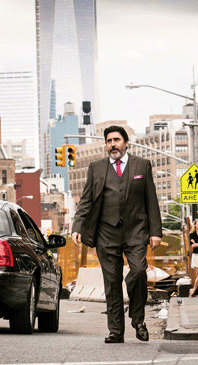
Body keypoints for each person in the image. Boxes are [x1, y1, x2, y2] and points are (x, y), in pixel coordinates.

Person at [72, 125, 162, 343]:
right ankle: (115, 331)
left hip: (136, 230)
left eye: (117, 140)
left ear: (126, 143)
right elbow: (86, 200)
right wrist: (77, 227)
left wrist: (155, 231)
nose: (113, 144)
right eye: (109, 141)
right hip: (106, 232)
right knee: (111, 281)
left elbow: (151, 199)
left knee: (139, 271)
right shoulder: (96, 167)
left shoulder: (142, 165)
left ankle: (138, 319)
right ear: (106, 145)